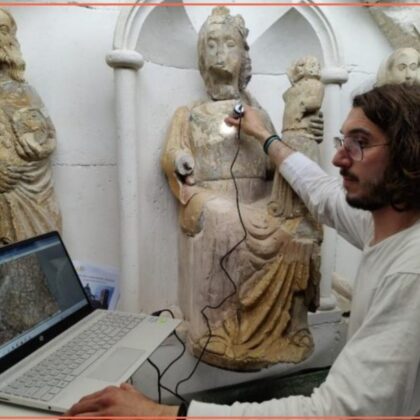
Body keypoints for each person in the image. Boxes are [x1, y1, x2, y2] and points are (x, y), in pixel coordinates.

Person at [68, 83, 420, 416]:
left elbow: (336, 413)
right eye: (343, 141)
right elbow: (320, 191)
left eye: (359, 143)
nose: (340, 157)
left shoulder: (410, 272)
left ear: (409, 152)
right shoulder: (379, 223)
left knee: (284, 234)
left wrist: (163, 414)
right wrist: (265, 137)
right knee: (224, 219)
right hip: (214, 199)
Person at [161, 6, 320, 370]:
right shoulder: (189, 112)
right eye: (212, 45)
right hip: (207, 197)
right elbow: (172, 152)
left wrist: (303, 135)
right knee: (225, 219)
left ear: (243, 57)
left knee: (299, 227)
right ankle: (218, 328)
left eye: (229, 44)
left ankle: (286, 327)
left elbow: (278, 162)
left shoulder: (258, 113)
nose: (220, 54)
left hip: (260, 199)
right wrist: (180, 159)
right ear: (202, 58)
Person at [0, 8, 61, 245]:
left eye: (3, 30)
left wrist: (39, 146)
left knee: (38, 254)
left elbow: (49, 136)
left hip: (32, 194)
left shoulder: (24, 91)